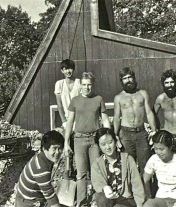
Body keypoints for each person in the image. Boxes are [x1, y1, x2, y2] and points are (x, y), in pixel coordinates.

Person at [64, 72, 111, 207]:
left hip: (95, 140)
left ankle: (97, 202)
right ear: (80, 86)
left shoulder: (98, 99)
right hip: (79, 140)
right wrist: (66, 142)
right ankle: (82, 202)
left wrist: (110, 138)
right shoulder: (75, 101)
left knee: (96, 172)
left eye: (89, 85)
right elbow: (69, 122)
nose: (87, 87)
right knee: (81, 174)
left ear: (93, 85)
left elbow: (106, 120)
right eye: (84, 85)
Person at [113, 67, 157, 175]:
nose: (128, 80)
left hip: (141, 133)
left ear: (134, 78)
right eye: (125, 78)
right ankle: (129, 192)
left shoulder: (142, 94)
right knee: (128, 166)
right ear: (121, 81)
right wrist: (115, 135)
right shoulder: (118, 97)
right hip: (126, 135)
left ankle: (146, 191)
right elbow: (116, 117)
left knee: (145, 166)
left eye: (130, 77)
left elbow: (149, 113)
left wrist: (154, 130)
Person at [91, 128, 145, 207]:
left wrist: (140, 204)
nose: (107, 147)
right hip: (108, 200)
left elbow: (137, 186)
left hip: (125, 200)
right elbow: (98, 183)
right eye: (103, 144)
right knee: (101, 199)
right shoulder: (97, 164)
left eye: (110, 142)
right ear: (99, 146)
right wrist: (105, 188)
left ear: (115, 141)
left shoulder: (128, 160)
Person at [15, 130, 64, 207]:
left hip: (32, 197)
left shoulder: (42, 157)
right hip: (27, 202)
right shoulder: (41, 169)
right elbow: (50, 197)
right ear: (45, 148)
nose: (58, 152)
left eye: (60, 148)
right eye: (54, 148)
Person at [143, 130, 176, 207]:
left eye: (162, 149)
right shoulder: (153, 159)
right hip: (161, 198)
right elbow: (145, 180)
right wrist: (148, 197)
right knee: (148, 205)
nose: (158, 152)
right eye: (156, 149)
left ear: (170, 147)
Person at [54, 59, 81, 128]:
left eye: (70, 68)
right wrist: (64, 121)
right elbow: (59, 104)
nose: (68, 71)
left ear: (73, 69)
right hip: (66, 119)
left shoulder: (79, 83)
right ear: (62, 71)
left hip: (79, 119)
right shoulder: (59, 84)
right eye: (65, 69)